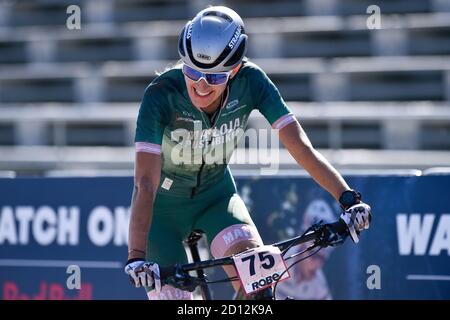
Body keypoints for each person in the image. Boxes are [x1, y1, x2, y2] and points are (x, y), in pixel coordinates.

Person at [124, 6, 372, 300]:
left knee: (260, 286)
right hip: (162, 210)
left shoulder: (252, 81)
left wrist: (347, 199)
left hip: (217, 198)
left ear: (235, 70)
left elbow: (300, 147)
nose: (201, 85)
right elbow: (146, 184)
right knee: (176, 300)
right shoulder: (161, 94)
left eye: (215, 77)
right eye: (192, 71)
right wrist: (136, 257)